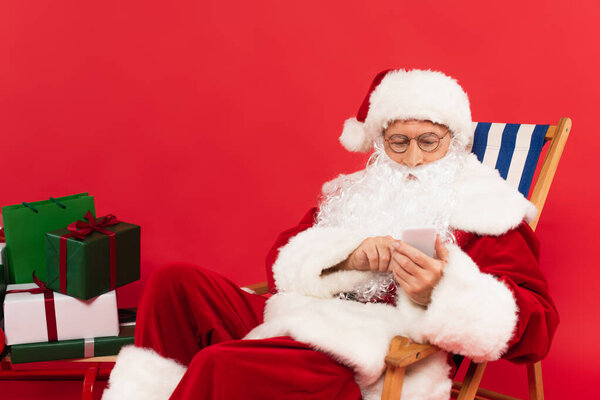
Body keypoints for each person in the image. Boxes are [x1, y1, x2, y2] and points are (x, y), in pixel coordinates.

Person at [102, 69, 559, 400]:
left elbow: (537, 323)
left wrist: (442, 290)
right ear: (379, 143)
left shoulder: (487, 209)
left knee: (218, 363)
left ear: (453, 141)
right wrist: (347, 258)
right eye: (399, 142)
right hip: (299, 318)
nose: (414, 158)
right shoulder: (353, 193)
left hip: (367, 352)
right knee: (175, 283)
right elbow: (283, 264)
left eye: (429, 141)